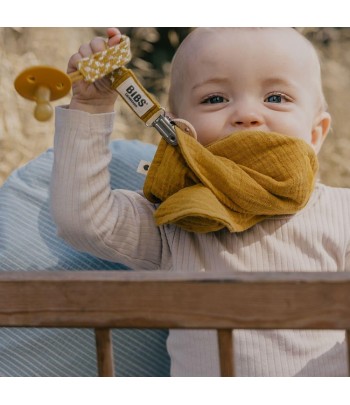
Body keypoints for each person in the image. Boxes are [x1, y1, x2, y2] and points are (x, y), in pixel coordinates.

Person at [51, 27, 350, 376]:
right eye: (214, 99)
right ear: (178, 130)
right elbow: (83, 221)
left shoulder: (341, 213)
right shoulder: (175, 219)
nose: (247, 115)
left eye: (276, 98)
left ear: (315, 134)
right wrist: (90, 105)